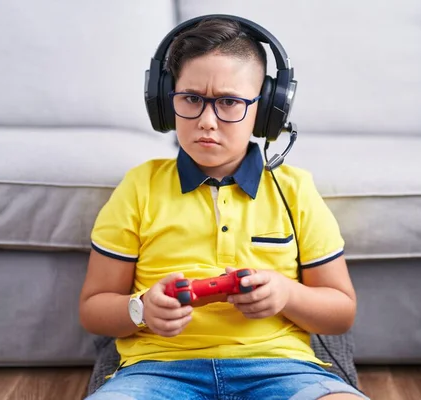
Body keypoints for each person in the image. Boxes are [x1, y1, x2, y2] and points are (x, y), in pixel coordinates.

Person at [79, 15, 369, 400]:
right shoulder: (140, 186)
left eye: (230, 102)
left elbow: (341, 312)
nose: (207, 121)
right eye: (191, 99)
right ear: (166, 101)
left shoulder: (295, 190)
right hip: (156, 372)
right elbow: (94, 308)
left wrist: (287, 294)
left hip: (282, 369)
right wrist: (141, 310)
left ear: (267, 110)